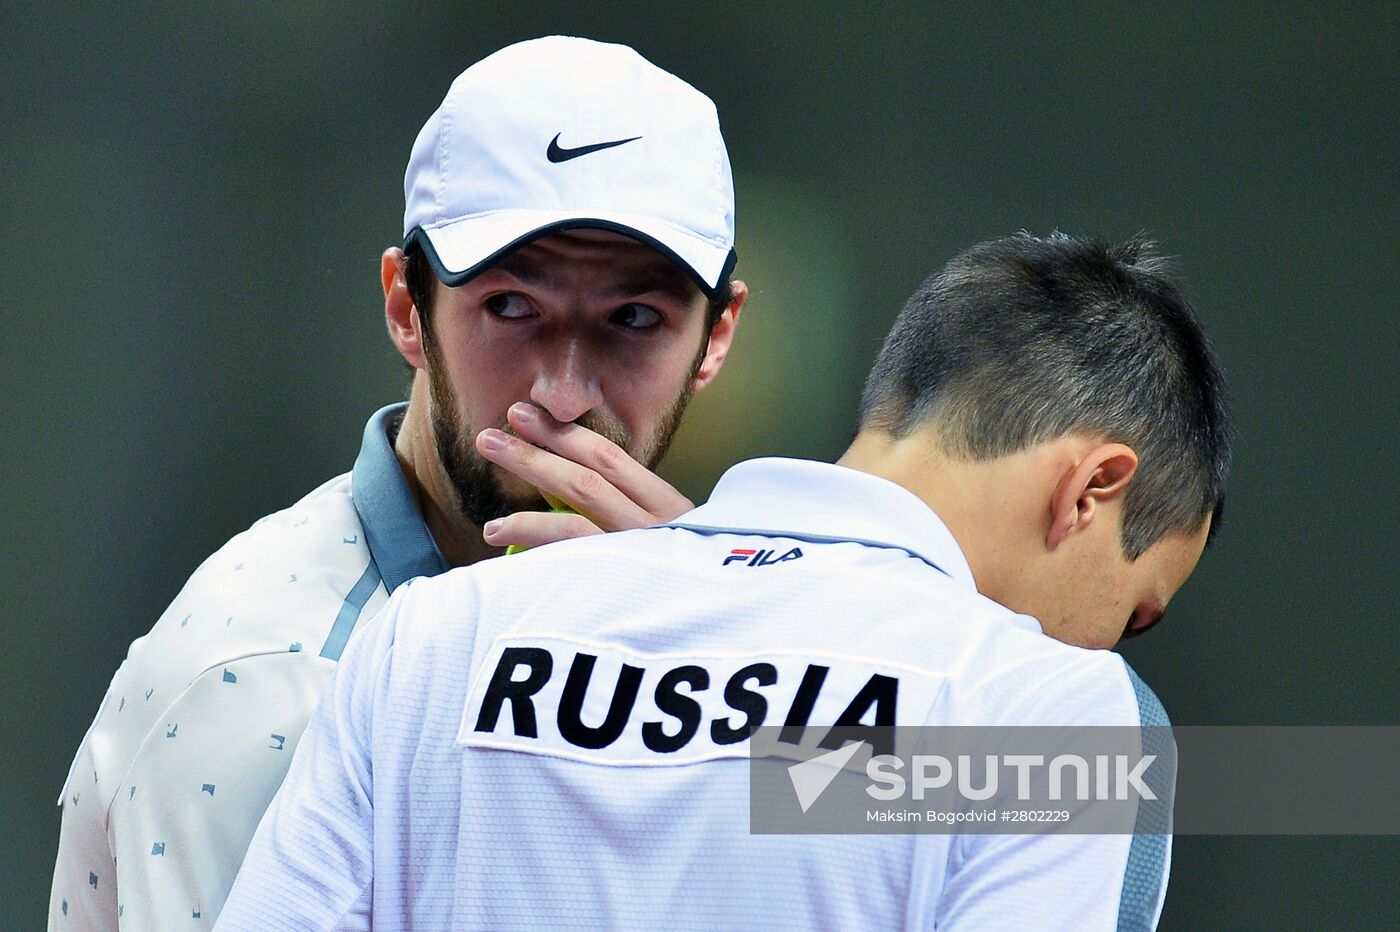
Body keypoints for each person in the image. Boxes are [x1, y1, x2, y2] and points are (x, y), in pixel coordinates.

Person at [215, 233, 1232, 930]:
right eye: (1131, 614)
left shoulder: (435, 631)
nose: (1101, 647)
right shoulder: (1049, 716)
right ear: (1091, 489)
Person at [49, 36, 748, 931]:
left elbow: (954, 799)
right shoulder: (272, 682)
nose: (564, 392)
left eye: (636, 318)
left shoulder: (736, 629)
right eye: (510, 307)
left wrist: (730, 659)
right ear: (405, 309)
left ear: (717, 336)